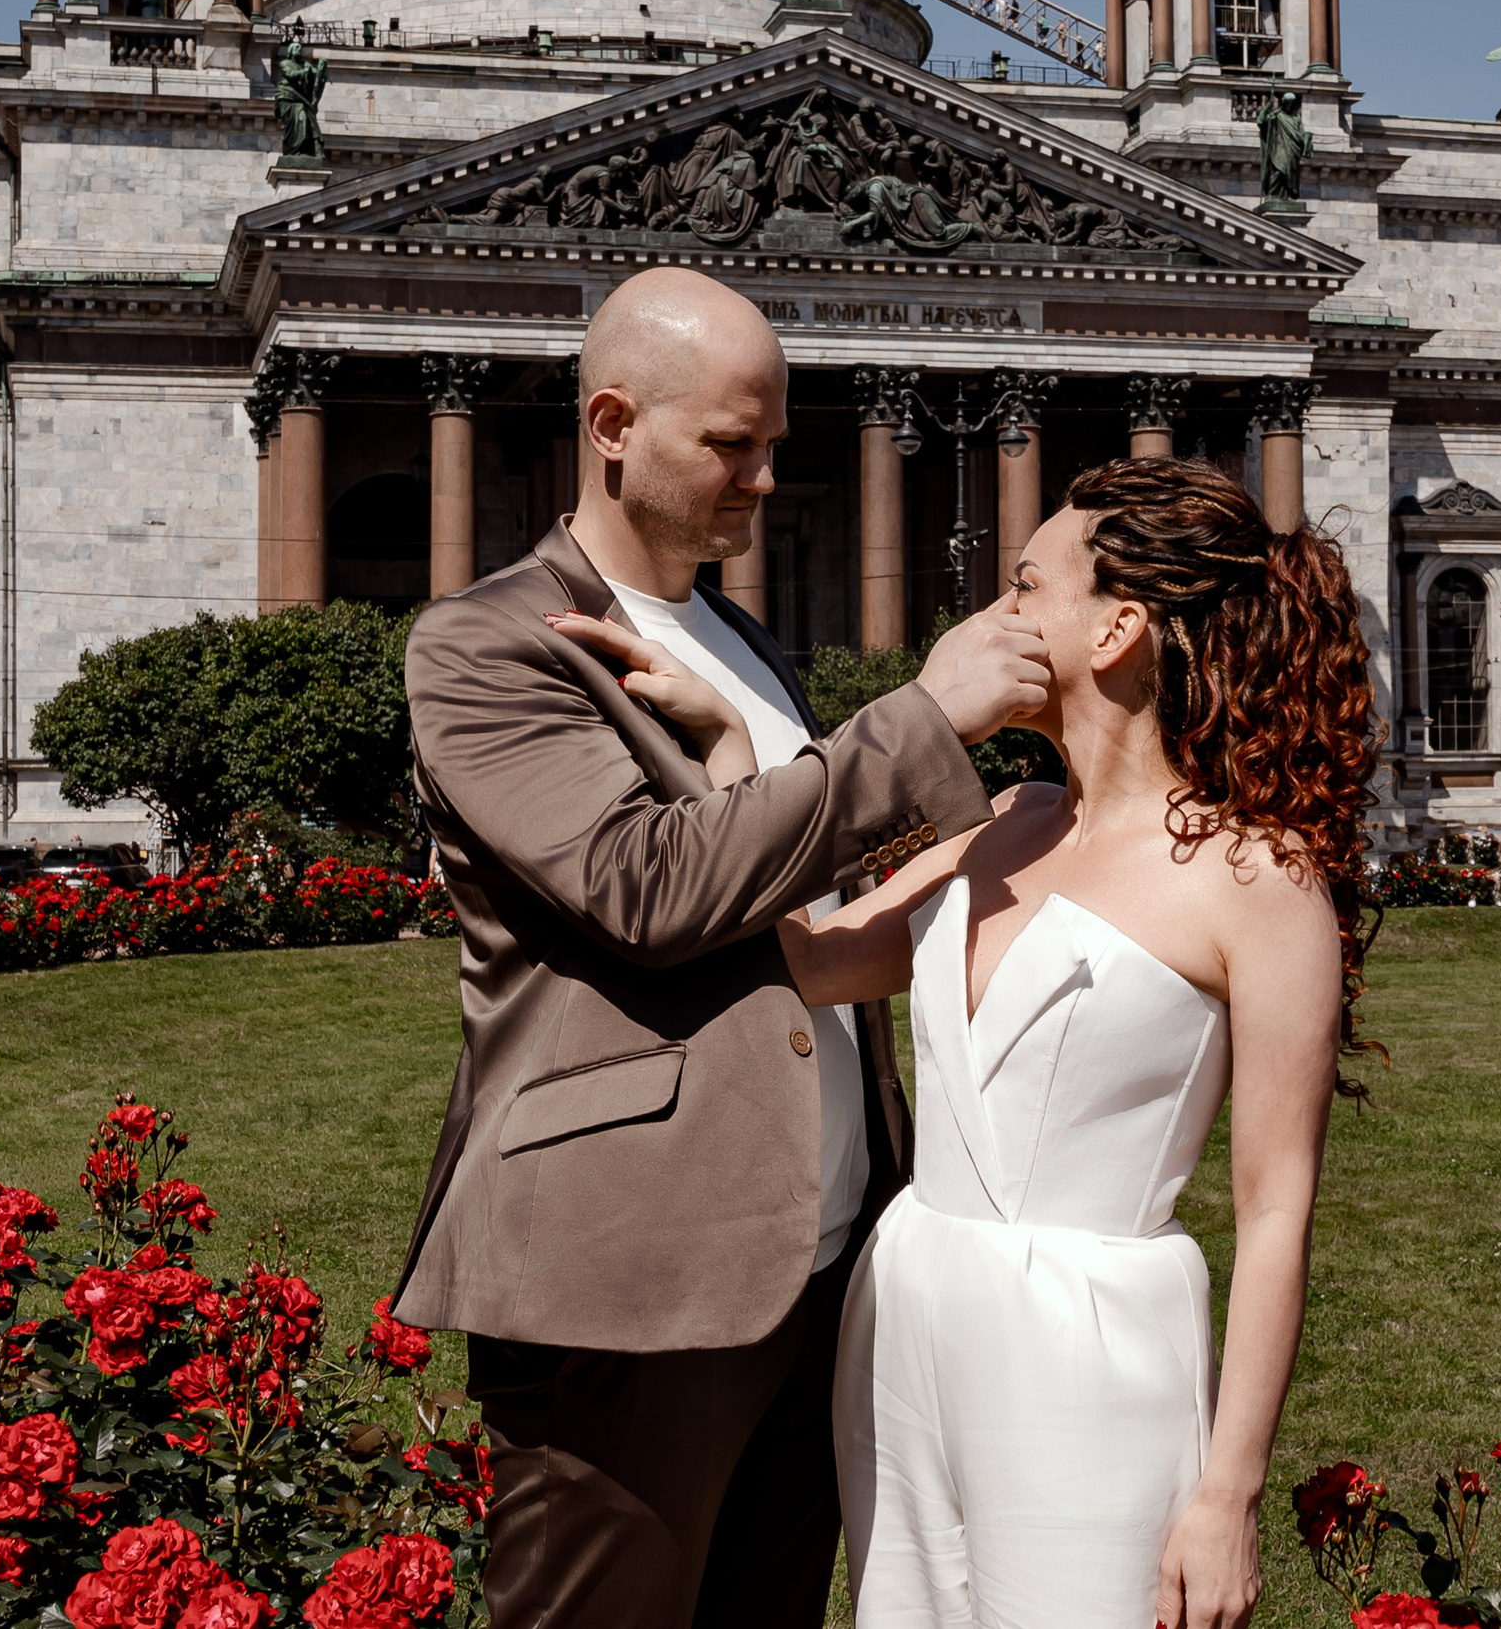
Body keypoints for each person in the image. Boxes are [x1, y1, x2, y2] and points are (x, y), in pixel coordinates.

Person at [556, 454, 1377, 1627]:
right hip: (904, 1309)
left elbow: (1275, 1208)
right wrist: (733, 750)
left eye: (1025, 587)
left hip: (1086, 1351)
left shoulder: (1259, 880)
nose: (989, 616)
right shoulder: (1004, 819)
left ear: (1118, 629)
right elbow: (818, 960)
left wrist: (1227, 1491)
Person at [392, 265, 1053, 1629]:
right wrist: (925, 715)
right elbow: (644, 885)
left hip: (818, 1260)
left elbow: (785, 901)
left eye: (776, 443)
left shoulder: (742, 641)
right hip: (630, 1272)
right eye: (731, 443)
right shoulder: (485, 644)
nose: (765, 477)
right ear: (613, 422)